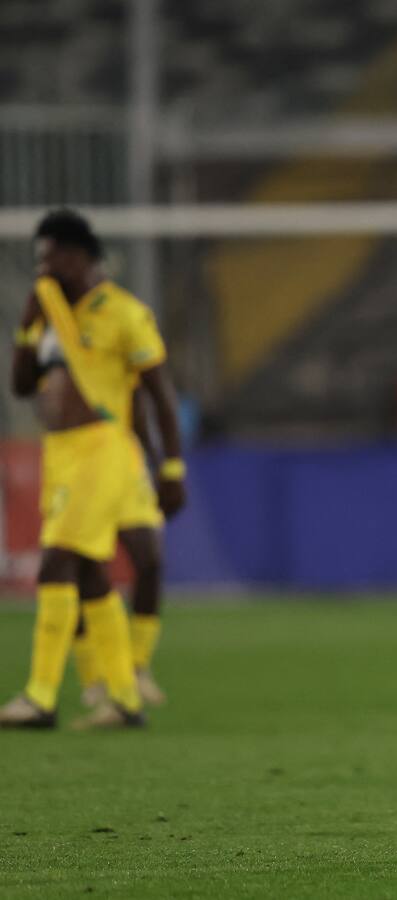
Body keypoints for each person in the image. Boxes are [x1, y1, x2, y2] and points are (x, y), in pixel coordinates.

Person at [0, 209, 187, 730]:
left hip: (104, 448)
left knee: (58, 561)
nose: (42, 268)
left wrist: (171, 467)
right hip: (61, 452)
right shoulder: (52, 313)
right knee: (86, 570)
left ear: (77, 256)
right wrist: (27, 324)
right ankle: (122, 696)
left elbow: (159, 396)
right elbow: (21, 385)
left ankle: (41, 696)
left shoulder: (124, 313)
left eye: (49, 257)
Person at [76, 385, 172, 709]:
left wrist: (159, 465)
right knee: (81, 566)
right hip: (83, 463)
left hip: (127, 465)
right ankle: (93, 676)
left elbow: (140, 401)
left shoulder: (126, 357)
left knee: (150, 561)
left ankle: (138, 666)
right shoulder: (67, 355)